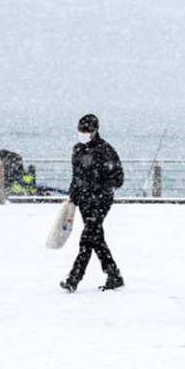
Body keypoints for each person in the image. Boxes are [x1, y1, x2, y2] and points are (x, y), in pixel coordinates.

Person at [60, 114, 125, 292]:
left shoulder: (106, 151)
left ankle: (74, 277)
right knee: (96, 238)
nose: (82, 134)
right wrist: (73, 195)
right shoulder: (77, 150)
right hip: (83, 201)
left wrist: (99, 189)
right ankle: (114, 274)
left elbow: (118, 179)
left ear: (95, 131)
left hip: (100, 201)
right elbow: (77, 176)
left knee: (87, 238)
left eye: (86, 131)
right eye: (80, 130)